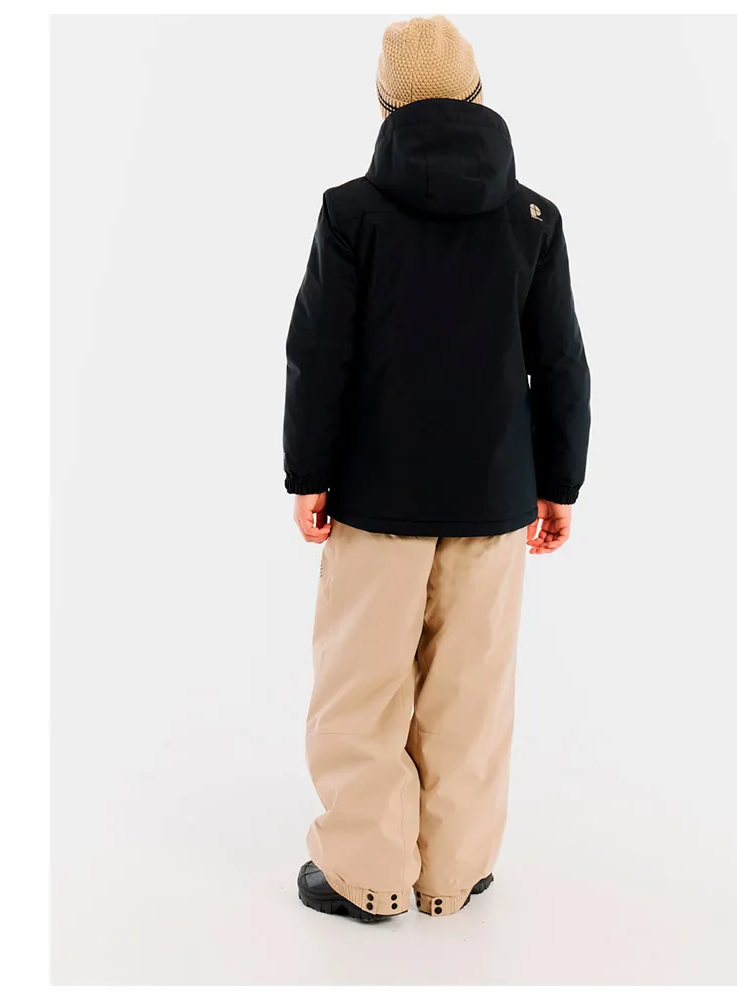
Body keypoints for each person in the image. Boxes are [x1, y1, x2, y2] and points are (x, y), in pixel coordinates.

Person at [283, 15, 591, 921]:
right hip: (495, 499)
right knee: (470, 692)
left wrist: (309, 473)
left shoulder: (352, 212)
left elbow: (319, 354)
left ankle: (367, 876)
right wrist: (559, 483)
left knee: (363, 687)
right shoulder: (534, 218)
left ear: (385, 104)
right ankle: (452, 875)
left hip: (375, 497)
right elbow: (561, 363)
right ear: (477, 94)